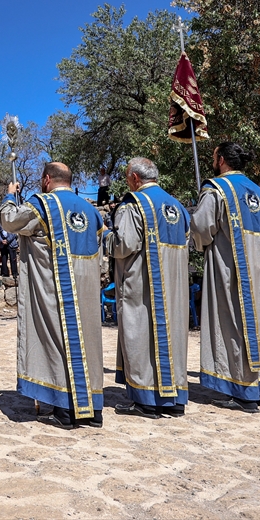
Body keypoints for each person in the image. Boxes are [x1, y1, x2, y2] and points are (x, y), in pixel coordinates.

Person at [0, 162, 107, 429]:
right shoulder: (92, 212)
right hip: (88, 287)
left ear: (47, 179)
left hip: (56, 285)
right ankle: (93, 409)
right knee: (88, 343)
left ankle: (64, 408)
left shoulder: (42, 205)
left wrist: (10, 196)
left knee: (59, 339)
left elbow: (10, 222)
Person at [191, 142, 260, 413]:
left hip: (230, 268)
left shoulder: (216, 188)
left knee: (233, 323)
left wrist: (200, 241)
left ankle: (244, 390)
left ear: (221, 160)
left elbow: (201, 226)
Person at [104, 157, 190, 420]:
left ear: (134, 178)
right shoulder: (177, 206)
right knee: (171, 338)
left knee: (140, 335)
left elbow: (124, 245)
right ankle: (174, 398)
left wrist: (106, 235)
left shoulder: (133, 205)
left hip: (142, 285)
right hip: (174, 286)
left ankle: (146, 399)